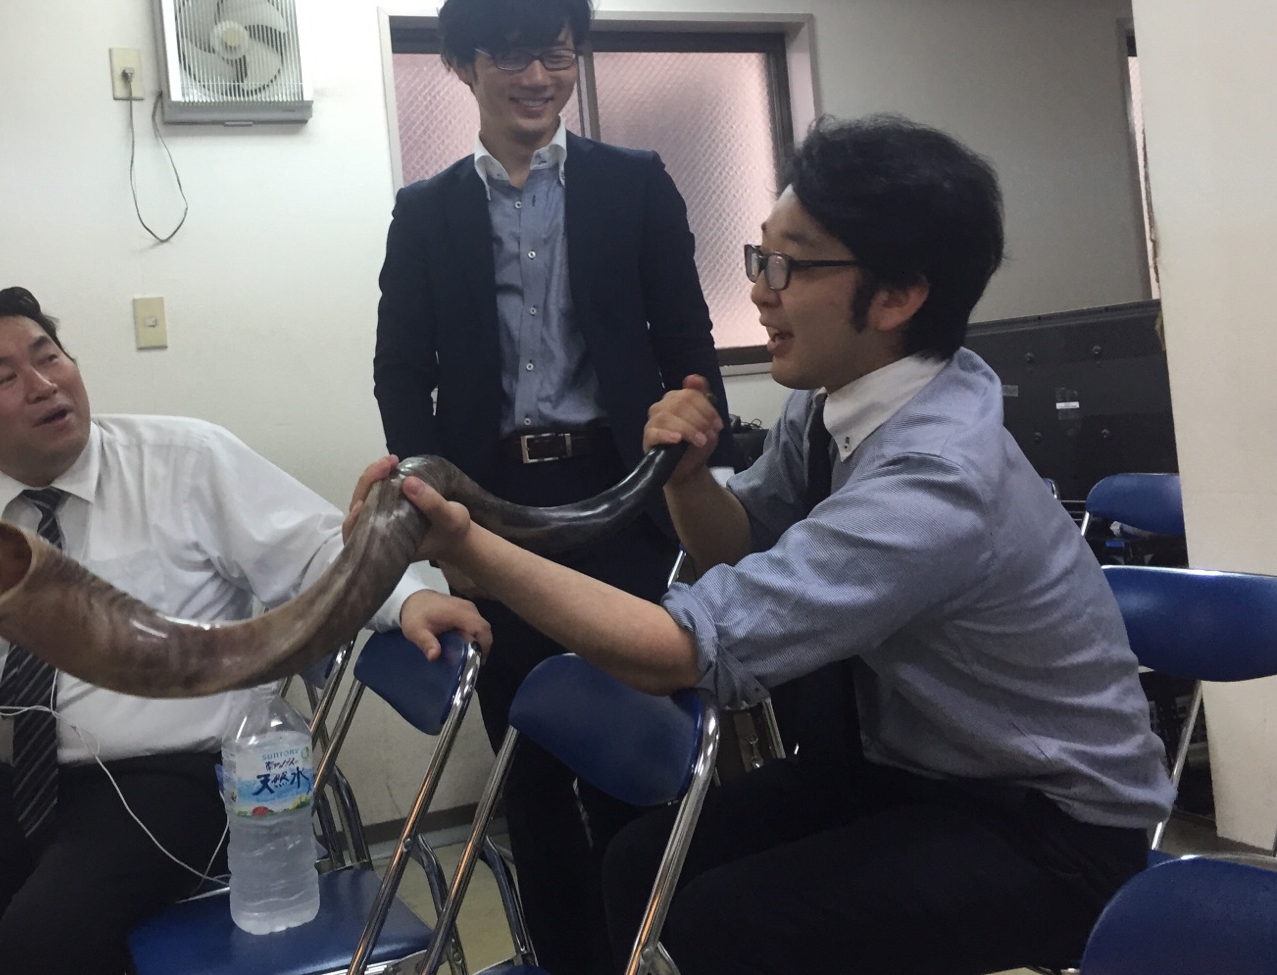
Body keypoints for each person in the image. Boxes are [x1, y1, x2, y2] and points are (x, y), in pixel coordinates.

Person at [369, 115, 1175, 975]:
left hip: (1046, 825)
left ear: (897, 297)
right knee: (641, 861)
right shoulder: (844, 399)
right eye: (761, 257)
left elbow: (679, 651)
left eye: (790, 267)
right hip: (904, 770)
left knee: (725, 922)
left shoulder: (936, 479)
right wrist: (688, 479)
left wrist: (472, 548)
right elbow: (740, 545)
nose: (760, 291)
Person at [0, 286, 490, 975]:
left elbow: (314, 550)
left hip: (179, 782)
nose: (43, 385)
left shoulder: (184, 459)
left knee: (43, 944)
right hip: (20, 784)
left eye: (49, 356)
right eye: (3, 378)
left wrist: (405, 601)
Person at [373, 0, 733, 975]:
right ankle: (569, 959)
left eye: (558, 53)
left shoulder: (635, 184)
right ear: (465, 65)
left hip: (622, 499)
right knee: (528, 767)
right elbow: (401, 372)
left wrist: (690, 427)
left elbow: (688, 343)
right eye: (512, 54)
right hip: (494, 509)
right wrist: (435, 505)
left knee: (636, 760)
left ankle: (651, 952)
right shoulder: (426, 211)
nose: (538, 76)